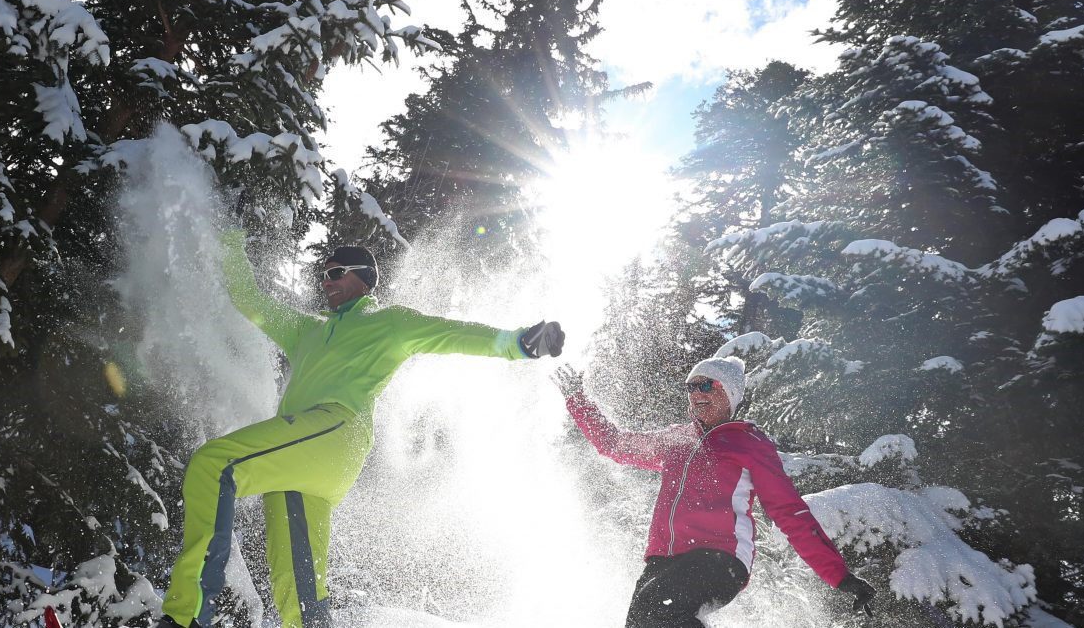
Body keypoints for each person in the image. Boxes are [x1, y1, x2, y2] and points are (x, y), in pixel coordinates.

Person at [159, 231, 566, 628]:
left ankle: (186, 615)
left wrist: (519, 344)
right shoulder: (308, 330)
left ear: (362, 277)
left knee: (214, 465)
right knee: (297, 594)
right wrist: (231, 241)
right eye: (324, 274)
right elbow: (250, 301)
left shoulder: (387, 323)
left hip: (336, 431)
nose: (325, 281)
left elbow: (450, 334)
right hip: (301, 459)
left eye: (335, 273)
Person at [555, 355, 877, 627]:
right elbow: (617, 445)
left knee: (658, 605)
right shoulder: (676, 440)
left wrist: (840, 576)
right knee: (640, 620)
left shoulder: (748, 443)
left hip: (720, 559)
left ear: (731, 393)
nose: (697, 393)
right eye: (691, 387)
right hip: (664, 561)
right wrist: (578, 400)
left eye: (707, 384)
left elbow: (789, 511)